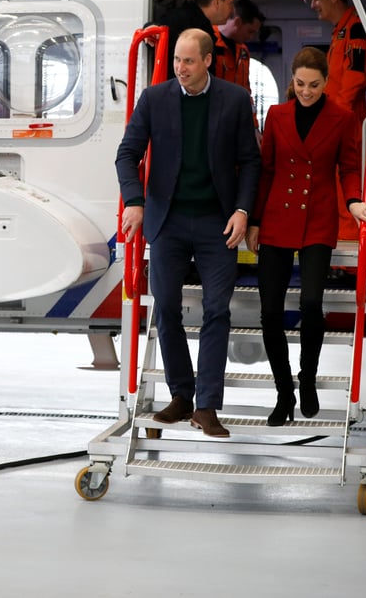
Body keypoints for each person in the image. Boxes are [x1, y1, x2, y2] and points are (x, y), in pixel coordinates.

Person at [116, 28, 261, 438]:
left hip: (219, 222)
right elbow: (127, 154)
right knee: (165, 309)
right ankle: (181, 395)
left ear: (208, 61)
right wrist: (134, 202)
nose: (181, 68)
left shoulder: (233, 100)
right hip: (168, 221)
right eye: (177, 60)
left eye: (189, 61)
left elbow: (250, 162)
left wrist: (242, 211)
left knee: (217, 310)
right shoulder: (154, 99)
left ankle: (206, 406)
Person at [245, 47, 366, 426]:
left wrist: (353, 200)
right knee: (269, 311)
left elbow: (349, 167)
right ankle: (283, 392)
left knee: (312, 303)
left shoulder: (342, 118)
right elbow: (266, 171)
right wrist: (254, 220)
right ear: (292, 80)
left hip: (318, 220)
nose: (305, 91)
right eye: (300, 84)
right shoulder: (277, 114)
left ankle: (308, 380)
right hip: (275, 220)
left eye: (314, 85)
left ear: (325, 83)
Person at [310, 0, 366, 241]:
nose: (313, 4)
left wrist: (334, 120)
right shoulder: (342, 31)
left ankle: (348, 261)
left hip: (347, 122)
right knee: (334, 189)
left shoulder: (355, 29)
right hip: (339, 120)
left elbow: (355, 79)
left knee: (346, 189)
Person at [153, 0, 237, 80]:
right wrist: (150, 28)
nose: (232, 10)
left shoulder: (204, 26)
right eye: (231, 3)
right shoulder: (183, 19)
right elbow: (156, 31)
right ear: (217, 3)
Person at [214, 0, 265, 93]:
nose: (251, 37)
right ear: (238, 22)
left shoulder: (243, 51)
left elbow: (245, 86)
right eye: (250, 31)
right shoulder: (209, 42)